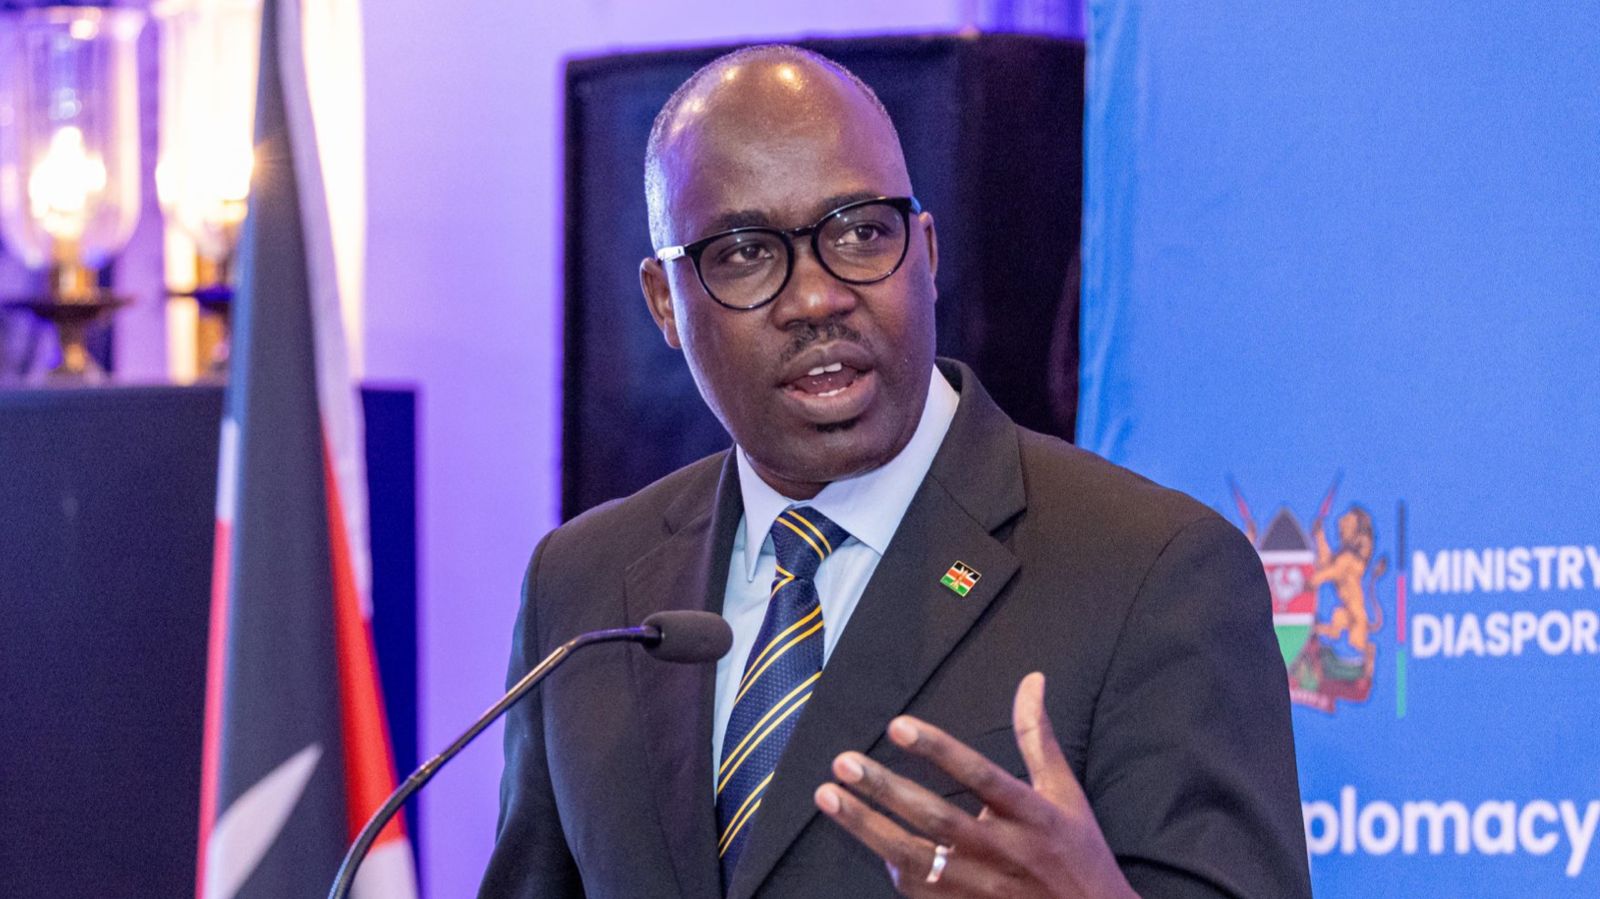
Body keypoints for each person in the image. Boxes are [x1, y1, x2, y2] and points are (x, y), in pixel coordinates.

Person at [480, 44, 1310, 899]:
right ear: (664, 300)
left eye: (861, 233)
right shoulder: (583, 587)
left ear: (927, 252)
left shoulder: (1153, 570)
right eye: (746, 252)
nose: (816, 298)